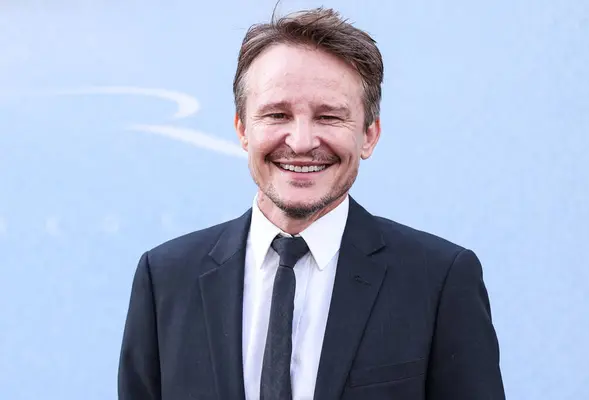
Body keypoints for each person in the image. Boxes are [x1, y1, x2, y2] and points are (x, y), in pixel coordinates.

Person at [117, 7, 505, 400]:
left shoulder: (439, 281)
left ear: (369, 135)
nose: (301, 141)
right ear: (242, 129)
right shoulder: (165, 278)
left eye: (329, 117)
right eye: (277, 114)